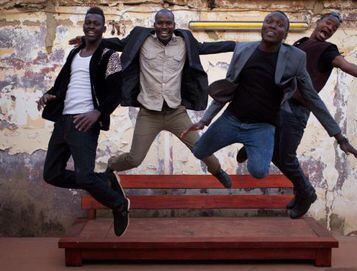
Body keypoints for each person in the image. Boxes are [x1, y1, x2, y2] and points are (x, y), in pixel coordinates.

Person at [182, 11, 357, 219]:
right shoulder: (256, 49)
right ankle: (253, 145)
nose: (273, 26)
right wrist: (205, 120)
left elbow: (320, 92)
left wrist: (339, 136)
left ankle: (303, 190)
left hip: (278, 117)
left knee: (277, 162)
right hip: (243, 116)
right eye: (269, 22)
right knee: (200, 151)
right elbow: (227, 88)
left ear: (285, 33)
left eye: (280, 25)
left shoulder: (314, 53)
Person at [235, 11, 357, 218]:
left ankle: (306, 193)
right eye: (328, 23)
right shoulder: (301, 43)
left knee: (284, 158)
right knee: (268, 140)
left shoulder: (327, 50)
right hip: (277, 104)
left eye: (334, 28)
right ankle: (257, 145)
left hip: (296, 110)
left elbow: (345, 64)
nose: (330, 28)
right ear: (318, 22)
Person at [76, 9, 237, 188]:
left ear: (174, 26)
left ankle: (217, 171)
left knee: (200, 148)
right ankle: (111, 166)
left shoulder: (185, 42)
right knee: (134, 159)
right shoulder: (141, 40)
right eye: (160, 23)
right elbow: (119, 44)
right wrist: (87, 41)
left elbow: (209, 47)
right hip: (149, 113)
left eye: (168, 23)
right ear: (155, 25)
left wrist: (238, 46)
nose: (164, 27)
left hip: (176, 113)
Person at [37, 7, 130, 237]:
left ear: (103, 28)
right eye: (88, 22)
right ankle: (105, 179)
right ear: (83, 25)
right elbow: (63, 83)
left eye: (96, 23)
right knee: (51, 174)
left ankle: (119, 204)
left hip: (84, 122)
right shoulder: (74, 53)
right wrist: (50, 94)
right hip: (63, 121)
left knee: (83, 176)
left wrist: (97, 113)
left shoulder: (109, 56)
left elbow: (117, 91)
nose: (91, 26)